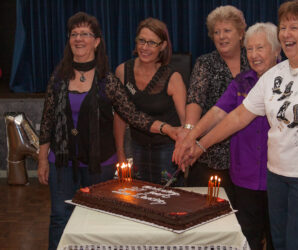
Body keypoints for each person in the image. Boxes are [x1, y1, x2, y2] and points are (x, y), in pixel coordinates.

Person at [175, 1, 298, 249]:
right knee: (278, 242)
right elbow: (238, 117)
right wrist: (199, 146)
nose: (286, 33)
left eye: (294, 27)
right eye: (283, 27)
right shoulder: (274, 74)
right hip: (276, 175)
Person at [37, 12, 168, 250]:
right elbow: (47, 121)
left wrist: (167, 128)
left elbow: (132, 115)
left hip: (101, 166)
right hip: (62, 164)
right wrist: (42, 160)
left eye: (85, 34)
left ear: (96, 41)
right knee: (60, 218)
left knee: (97, 220)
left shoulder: (107, 80)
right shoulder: (58, 78)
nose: (79, 39)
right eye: (74, 34)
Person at [174, 22, 280, 250]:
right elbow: (217, 112)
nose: (254, 55)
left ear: (276, 50)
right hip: (245, 177)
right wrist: (190, 139)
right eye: (249, 49)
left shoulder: (289, 80)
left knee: (278, 239)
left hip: (279, 177)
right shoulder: (241, 82)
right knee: (247, 236)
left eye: (260, 48)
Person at [175, 5, 249, 203]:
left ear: (241, 33)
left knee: (245, 215)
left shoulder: (254, 61)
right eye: (216, 32)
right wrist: (189, 134)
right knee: (206, 209)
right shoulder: (205, 63)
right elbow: (195, 99)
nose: (221, 36)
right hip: (210, 152)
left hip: (248, 153)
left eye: (227, 30)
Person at [113, 18, 186, 185]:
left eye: (152, 43)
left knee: (169, 201)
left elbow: (185, 123)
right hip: (137, 148)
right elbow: (120, 115)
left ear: (163, 46)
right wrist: (120, 152)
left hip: (168, 152)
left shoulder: (173, 78)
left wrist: (184, 151)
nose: (145, 47)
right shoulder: (122, 71)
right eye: (142, 41)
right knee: (140, 199)